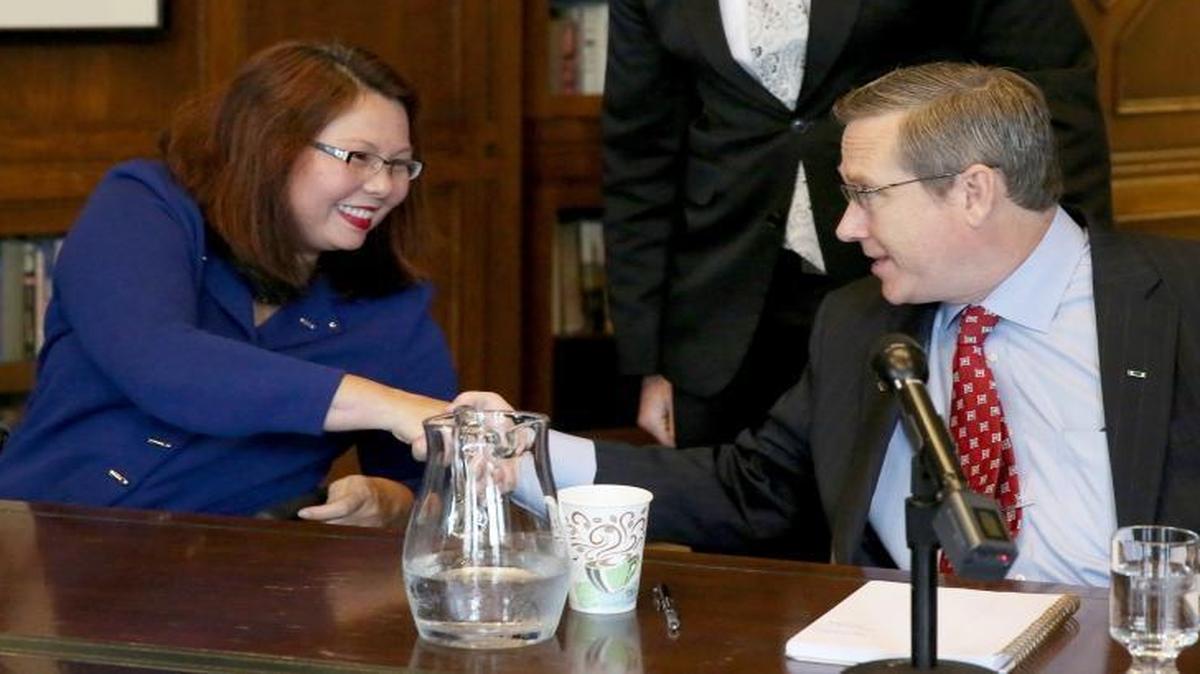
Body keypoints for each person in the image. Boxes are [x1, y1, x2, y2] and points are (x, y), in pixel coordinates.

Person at [464, 62, 1200, 585]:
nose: (846, 228)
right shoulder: (859, 322)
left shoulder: (1179, 301)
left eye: (867, 195)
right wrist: (527, 455)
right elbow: (750, 490)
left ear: (974, 191)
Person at [603, 0, 1113, 448]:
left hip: (913, 293)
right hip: (721, 308)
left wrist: (1072, 301)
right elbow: (640, 158)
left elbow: (1051, 106)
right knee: (738, 527)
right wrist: (650, 360)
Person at [0, 41, 454, 527]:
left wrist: (388, 500)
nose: (384, 186)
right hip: (29, 543)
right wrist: (388, 404)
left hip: (222, 577)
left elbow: (430, 488)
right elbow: (160, 362)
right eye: (358, 157)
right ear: (271, 145)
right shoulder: (145, 206)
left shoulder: (390, 311)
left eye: (400, 164)